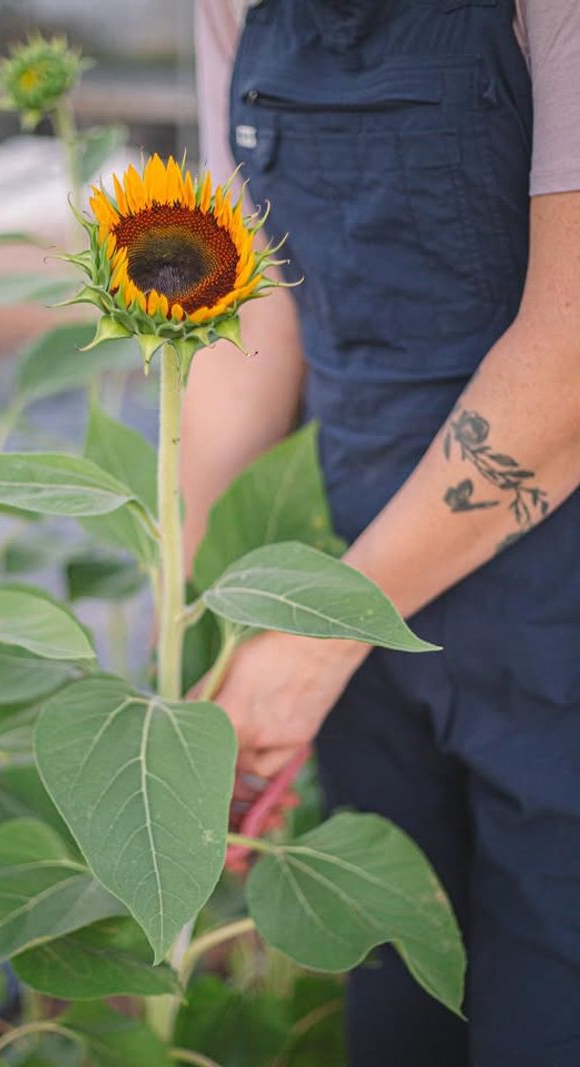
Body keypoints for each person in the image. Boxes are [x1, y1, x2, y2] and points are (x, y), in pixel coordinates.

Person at [185, 2, 580, 1064]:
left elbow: (570, 356)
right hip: (349, 615)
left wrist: (316, 638)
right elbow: (253, 310)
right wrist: (201, 624)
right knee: (398, 1007)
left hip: (551, 630)